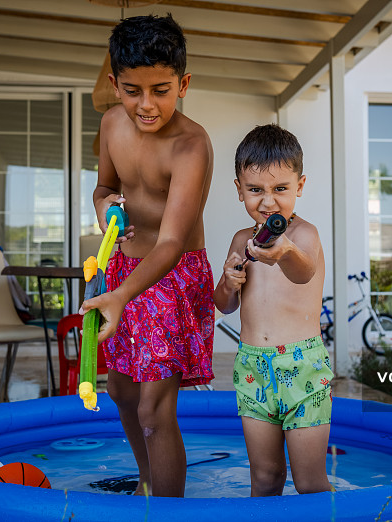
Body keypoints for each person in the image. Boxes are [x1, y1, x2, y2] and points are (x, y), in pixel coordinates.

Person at [79, 14, 214, 497]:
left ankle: (170, 509)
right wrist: (101, 207)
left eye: (161, 89)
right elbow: (104, 187)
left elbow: (173, 243)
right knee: (120, 392)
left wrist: (119, 297)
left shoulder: (190, 144)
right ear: (114, 84)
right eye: (133, 90)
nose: (147, 104)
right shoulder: (111, 122)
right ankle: (147, 482)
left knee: (154, 409)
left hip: (171, 275)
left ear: (183, 84)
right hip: (123, 270)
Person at [213, 124, 333, 496]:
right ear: (239, 190)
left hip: (301, 367)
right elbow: (224, 306)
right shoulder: (240, 240)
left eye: (280, 189)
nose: (268, 202)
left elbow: (304, 272)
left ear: (300, 185)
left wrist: (285, 252)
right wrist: (228, 282)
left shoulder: (304, 236)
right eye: (255, 190)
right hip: (253, 367)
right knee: (264, 478)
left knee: (310, 482)